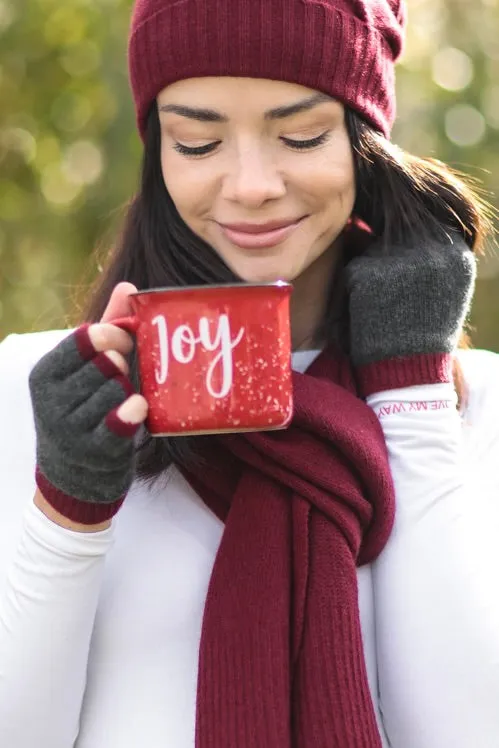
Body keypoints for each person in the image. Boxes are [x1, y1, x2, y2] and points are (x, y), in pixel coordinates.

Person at [0, 0, 498, 746]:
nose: (251, 184)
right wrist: (67, 508)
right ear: (156, 151)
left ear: (364, 139)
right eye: (197, 143)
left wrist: (408, 389)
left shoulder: (472, 408)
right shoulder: (40, 391)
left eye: (299, 135)